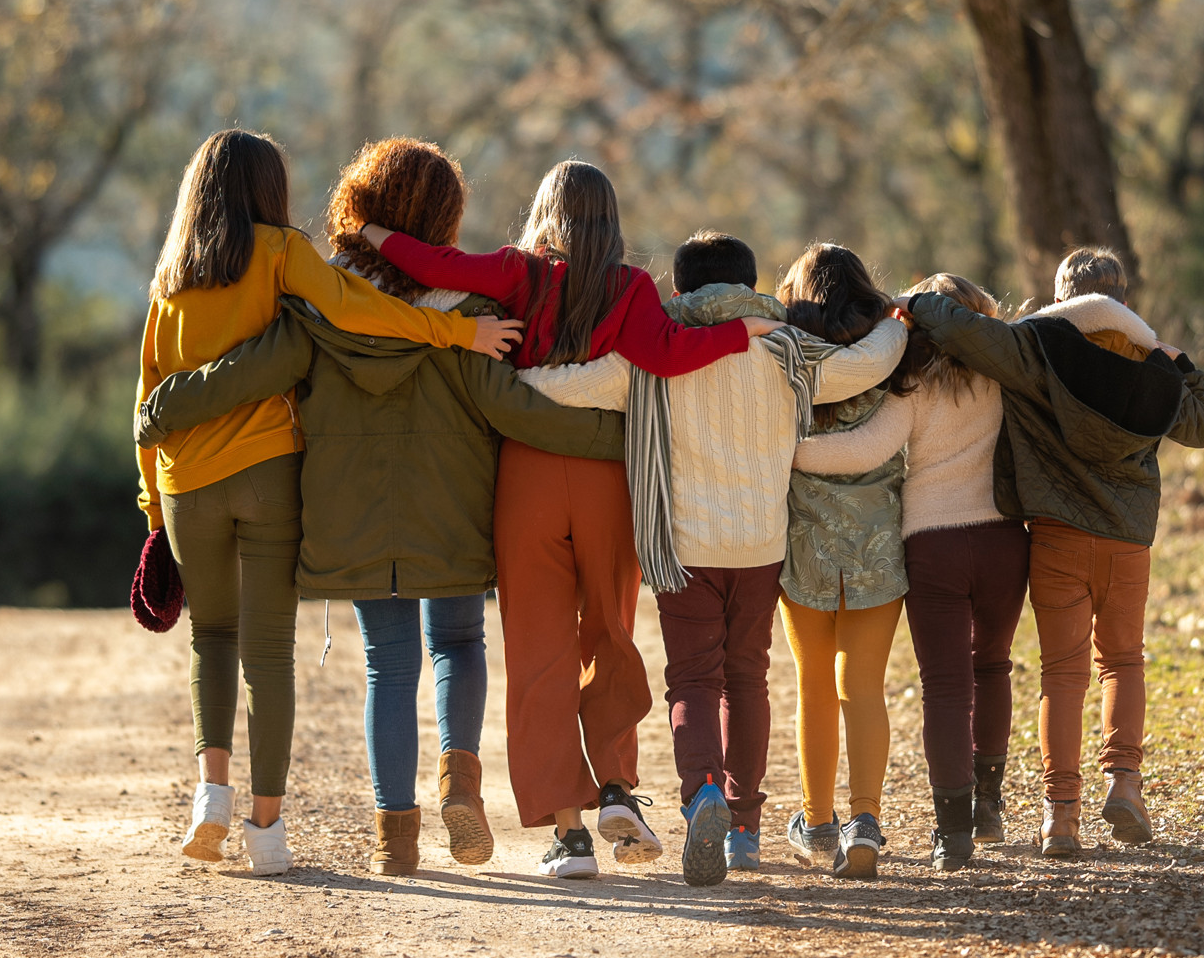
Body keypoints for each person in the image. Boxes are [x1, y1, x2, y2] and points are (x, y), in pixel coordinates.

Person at [137, 138, 624, 877]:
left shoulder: (317, 307)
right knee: (457, 645)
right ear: (446, 217)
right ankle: (461, 776)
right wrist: (611, 434)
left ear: (359, 207)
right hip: (453, 509)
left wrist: (167, 407)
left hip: (350, 514)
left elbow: (258, 371)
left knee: (387, 665)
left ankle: (394, 834)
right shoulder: (472, 314)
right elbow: (515, 409)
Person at [358, 162, 778, 879]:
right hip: (606, 481)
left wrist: (369, 230)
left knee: (538, 653)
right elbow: (669, 355)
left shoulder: (519, 274)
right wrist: (739, 337)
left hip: (525, 479)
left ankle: (568, 833)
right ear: (611, 220)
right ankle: (616, 784)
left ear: (546, 212)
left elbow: (437, 262)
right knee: (610, 633)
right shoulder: (632, 287)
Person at [519, 231, 903, 886]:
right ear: (750, 282)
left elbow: (577, 387)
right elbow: (867, 365)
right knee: (747, 679)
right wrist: (898, 324)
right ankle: (745, 832)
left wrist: (514, 370)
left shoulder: (654, 347)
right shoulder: (784, 347)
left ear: (680, 286)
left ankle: (702, 796)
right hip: (760, 543)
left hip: (685, 547)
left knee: (693, 681)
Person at [894, 247, 1204, 856]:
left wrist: (913, 303)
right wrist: (1182, 364)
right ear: (1123, 299)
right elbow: (1203, 427)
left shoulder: (1036, 347)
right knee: (1122, 662)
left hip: (1056, 539)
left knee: (1062, 673)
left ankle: (1059, 815)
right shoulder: (1148, 362)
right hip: (1127, 541)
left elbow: (969, 330)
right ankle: (1124, 782)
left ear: (1061, 297)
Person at [793, 273, 1027, 871]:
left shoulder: (912, 385)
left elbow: (863, 451)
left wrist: (782, 451)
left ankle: (952, 837)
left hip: (933, 546)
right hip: (1004, 541)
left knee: (946, 687)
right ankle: (989, 804)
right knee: (993, 667)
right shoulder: (1007, 376)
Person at [770, 244, 908, 879]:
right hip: (879, 544)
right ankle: (866, 820)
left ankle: (817, 818)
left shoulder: (790, 352)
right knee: (864, 687)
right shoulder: (891, 352)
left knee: (815, 686)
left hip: (806, 546)